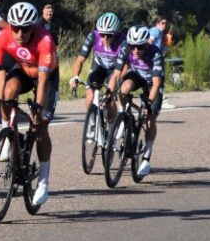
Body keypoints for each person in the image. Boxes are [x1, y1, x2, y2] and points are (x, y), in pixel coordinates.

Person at [0, 2, 59, 206]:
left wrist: (38, 109)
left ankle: (44, 183)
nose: (20, 33)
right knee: (7, 92)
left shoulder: (45, 40)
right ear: (10, 26)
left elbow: (43, 81)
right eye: (15, 28)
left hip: (45, 76)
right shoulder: (2, 37)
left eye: (25, 28)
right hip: (23, 70)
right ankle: (8, 136)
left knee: (40, 127)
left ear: (33, 27)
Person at [107, 25, 164, 179]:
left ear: (146, 44)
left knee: (150, 119)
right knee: (122, 90)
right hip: (138, 75)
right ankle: (125, 116)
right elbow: (117, 73)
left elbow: (157, 82)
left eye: (139, 47)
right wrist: (109, 92)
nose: (135, 51)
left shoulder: (155, 53)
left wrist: (149, 103)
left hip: (152, 83)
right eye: (133, 47)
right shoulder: (126, 47)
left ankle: (146, 158)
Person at [69, 12, 125, 122]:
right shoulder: (93, 37)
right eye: (102, 34)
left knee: (110, 98)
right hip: (99, 65)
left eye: (109, 35)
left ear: (116, 33)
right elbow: (80, 60)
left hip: (115, 69)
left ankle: (111, 129)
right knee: (90, 94)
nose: (105, 38)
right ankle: (91, 124)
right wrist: (75, 76)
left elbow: (124, 67)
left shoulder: (123, 41)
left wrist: (114, 86)